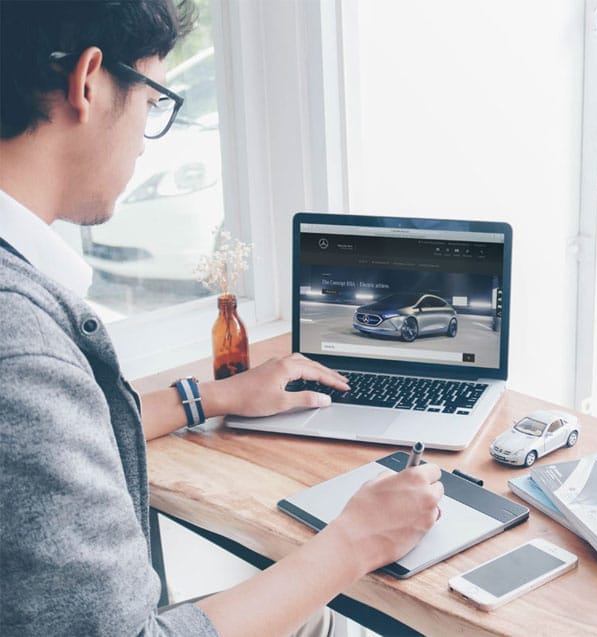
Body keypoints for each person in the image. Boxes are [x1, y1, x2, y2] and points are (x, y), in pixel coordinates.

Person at [0, 1, 444, 635]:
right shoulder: (21, 348)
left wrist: (211, 397)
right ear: (89, 81)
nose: (146, 144)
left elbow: (65, 431)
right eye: (154, 103)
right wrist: (357, 540)